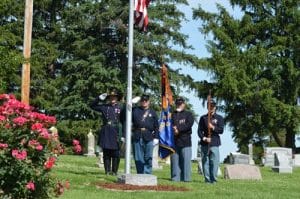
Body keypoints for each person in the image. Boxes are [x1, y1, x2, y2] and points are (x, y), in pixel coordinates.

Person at [90, 89, 124, 175]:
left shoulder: (121, 107)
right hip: (106, 131)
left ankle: (114, 171)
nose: (113, 98)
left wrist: (124, 134)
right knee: (106, 153)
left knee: (116, 153)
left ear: (117, 98)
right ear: (109, 98)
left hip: (116, 131)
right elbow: (92, 106)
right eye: (111, 97)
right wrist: (99, 98)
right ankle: (107, 171)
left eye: (114, 97)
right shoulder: (104, 107)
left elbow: (125, 121)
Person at [198, 99, 224, 183]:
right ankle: (207, 179)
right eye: (209, 106)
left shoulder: (219, 118)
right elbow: (199, 131)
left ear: (215, 107)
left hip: (214, 142)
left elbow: (221, 130)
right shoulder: (203, 118)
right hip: (205, 143)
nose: (211, 108)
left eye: (212, 106)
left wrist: (212, 127)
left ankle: (214, 179)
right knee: (205, 161)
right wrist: (204, 138)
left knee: (214, 162)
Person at [132, 94, 159, 174]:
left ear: (148, 102)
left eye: (145, 100)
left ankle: (147, 173)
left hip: (149, 136)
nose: (144, 102)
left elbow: (156, 126)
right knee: (138, 157)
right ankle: (140, 173)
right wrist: (131, 102)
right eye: (142, 100)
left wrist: (156, 137)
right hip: (137, 135)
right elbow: (125, 113)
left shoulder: (153, 112)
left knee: (148, 156)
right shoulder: (135, 110)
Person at [170, 97, 194, 182]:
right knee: (175, 161)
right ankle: (175, 178)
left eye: (180, 103)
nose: (179, 105)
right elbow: (170, 125)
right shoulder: (173, 114)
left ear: (184, 104)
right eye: (177, 103)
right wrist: (174, 129)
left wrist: (178, 129)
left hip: (185, 141)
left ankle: (186, 179)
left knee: (186, 162)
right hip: (175, 141)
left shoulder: (188, 114)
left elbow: (189, 125)